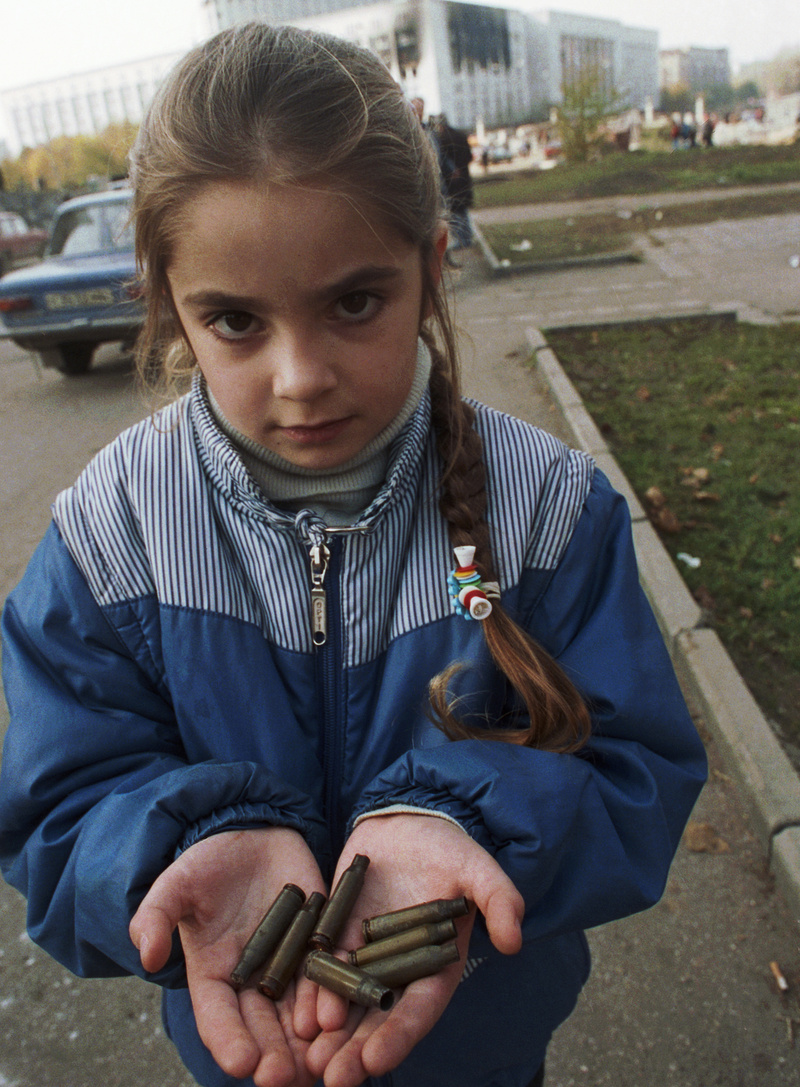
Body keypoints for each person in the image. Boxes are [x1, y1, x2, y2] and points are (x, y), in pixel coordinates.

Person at [0, 24, 707, 1087]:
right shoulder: (112, 536)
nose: (300, 376)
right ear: (171, 306)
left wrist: (461, 819)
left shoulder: (548, 510)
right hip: (247, 1056)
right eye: (235, 319)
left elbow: (635, 770)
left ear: (428, 270)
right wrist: (182, 844)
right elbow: (55, 811)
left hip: (483, 1050)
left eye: (353, 302)